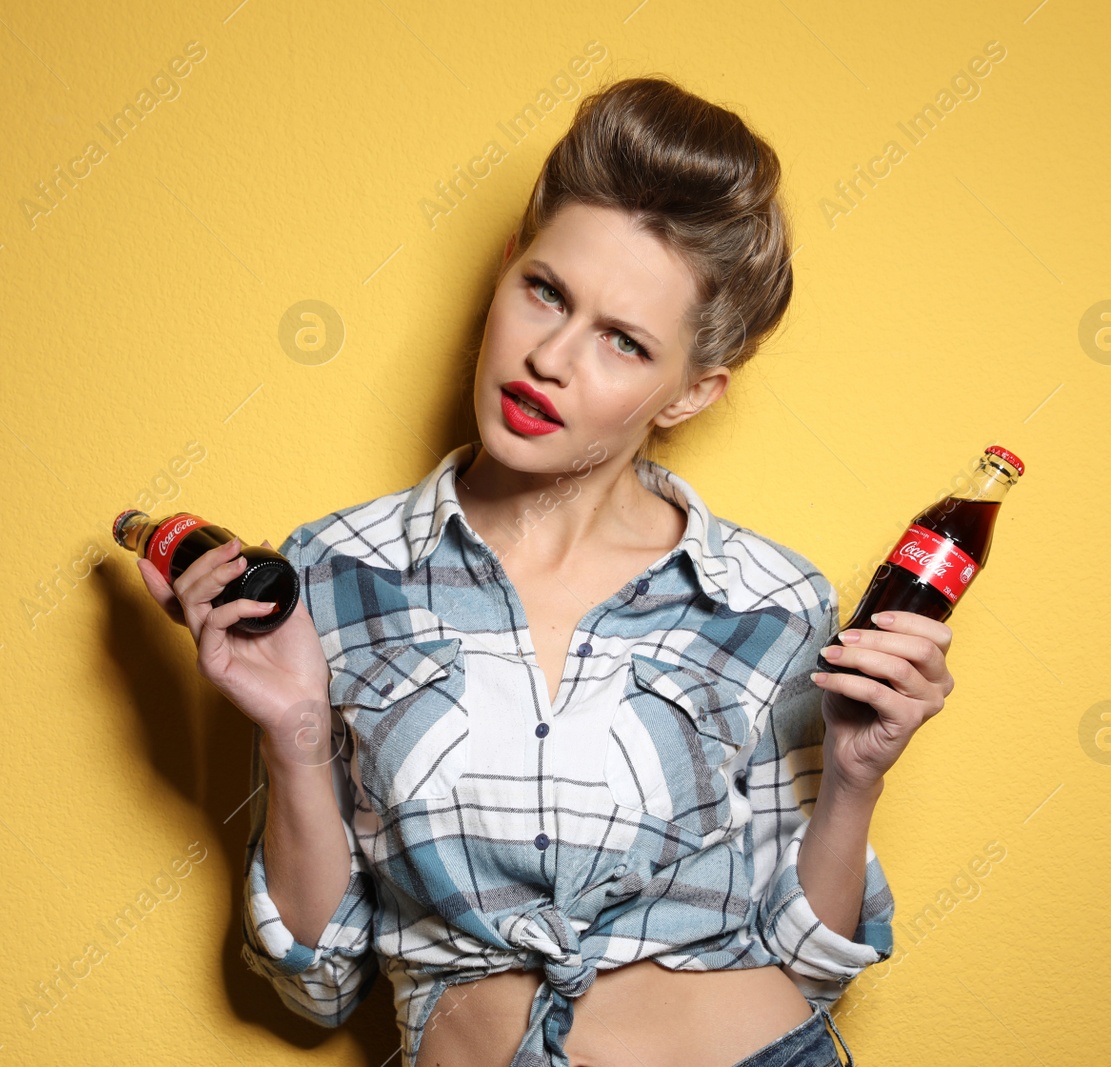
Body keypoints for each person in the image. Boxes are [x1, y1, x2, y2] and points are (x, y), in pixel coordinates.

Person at [137, 75, 954, 1067]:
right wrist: (295, 735)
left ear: (690, 392)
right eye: (544, 291)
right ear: (505, 273)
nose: (550, 358)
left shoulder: (767, 600)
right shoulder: (331, 573)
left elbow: (810, 960)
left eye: (623, 341)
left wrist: (857, 780)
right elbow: (317, 981)